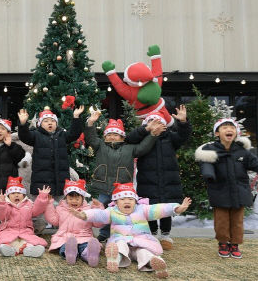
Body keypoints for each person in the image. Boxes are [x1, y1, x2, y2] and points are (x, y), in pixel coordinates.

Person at [195, 118, 258, 259]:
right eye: (224, 127)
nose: (229, 130)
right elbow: (206, 163)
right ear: (217, 133)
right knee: (221, 221)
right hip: (219, 191)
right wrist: (208, 173)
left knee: (237, 221)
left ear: (236, 132)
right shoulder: (210, 150)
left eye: (232, 127)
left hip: (240, 192)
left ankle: (235, 244)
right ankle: (223, 243)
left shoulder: (242, 152)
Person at [71, 183, 191, 278]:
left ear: (135, 201)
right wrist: (84, 215)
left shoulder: (143, 209)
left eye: (130, 199)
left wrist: (176, 208)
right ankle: (114, 259)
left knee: (143, 252)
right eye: (122, 199)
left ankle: (153, 262)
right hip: (121, 239)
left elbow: (159, 209)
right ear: (116, 202)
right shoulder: (112, 211)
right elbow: (99, 214)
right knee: (119, 246)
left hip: (141, 241)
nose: (127, 201)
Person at [84, 110, 161, 242]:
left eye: (115, 134)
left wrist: (152, 135)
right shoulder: (100, 146)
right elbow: (91, 137)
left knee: (119, 211)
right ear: (105, 137)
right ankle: (101, 233)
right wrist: (90, 122)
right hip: (103, 186)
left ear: (122, 137)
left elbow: (143, 147)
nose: (112, 137)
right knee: (102, 211)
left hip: (122, 188)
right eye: (109, 134)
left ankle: (118, 234)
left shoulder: (130, 148)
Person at [125, 106, 192, 249]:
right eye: (152, 122)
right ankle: (152, 233)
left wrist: (183, 122)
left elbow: (184, 136)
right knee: (150, 208)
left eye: (159, 122)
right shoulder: (142, 137)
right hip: (148, 181)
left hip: (169, 180)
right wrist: (146, 130)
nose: (156, 125)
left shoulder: (170, 137)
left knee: (167, 208)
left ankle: (166, 235)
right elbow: (129, 139)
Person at [16, 106, 85, 197]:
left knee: (60, 208)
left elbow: (74, 134)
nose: (50, 123)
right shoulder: (36, 135)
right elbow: (25, 136)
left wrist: (76, 117)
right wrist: (23, 123)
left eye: (52, 121)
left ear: (56, 123)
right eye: (46, 121)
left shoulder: (62, 135)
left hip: (60, 183)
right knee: (42, 208)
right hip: (42, 184)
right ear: (40, 124)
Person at [45, 179, 103, 267]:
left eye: (77, 198)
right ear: (66, 198)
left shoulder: (88, 210)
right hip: (65, 237)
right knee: (65, 246)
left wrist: (98, 209)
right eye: (70, 198)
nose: (74, 201)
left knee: (86, 247)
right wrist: (49, 204)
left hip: (84, 237)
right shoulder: (61, 208)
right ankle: (71, 255)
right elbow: (54, 220)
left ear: (83, 198)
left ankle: (90, 256)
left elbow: (98, 224)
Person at [0, 177, 49, 258]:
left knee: (31, 241)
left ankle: (29, 249)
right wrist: (1, 203)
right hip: (8, 230)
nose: (16, 195)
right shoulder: (6, 204)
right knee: (7, 241)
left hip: (25, 231)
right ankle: (10, 250)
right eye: (13, 193)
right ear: (8, 195)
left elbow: (37, 211)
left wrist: (42, 197)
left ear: (23, 194)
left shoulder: (28, 203)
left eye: (19, 193)